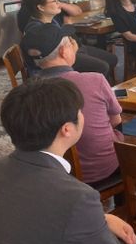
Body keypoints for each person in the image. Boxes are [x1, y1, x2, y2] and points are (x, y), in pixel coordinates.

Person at [0, 77, 136, 244]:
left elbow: (28, 212)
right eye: (80, 111)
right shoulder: (78, 198)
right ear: (67, 129)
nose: (82, 115)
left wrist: (101, 219)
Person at [21, 23, 124, 186]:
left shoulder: (27, 93)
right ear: (63, 51)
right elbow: (116, 120)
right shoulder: (95, 80)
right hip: (103, 169)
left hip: (55, 175)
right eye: (70, 42)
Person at [20, 0, 118, 80]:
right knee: (102, 67)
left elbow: (75, 16)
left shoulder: (52, 18)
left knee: (112, 59)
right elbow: (47, 58)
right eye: (54, 1)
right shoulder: (35, 30)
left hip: (74, 49)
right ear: (41, 7)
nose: (59, 3)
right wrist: (73, 50)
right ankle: (89, 86)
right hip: (59, 60)